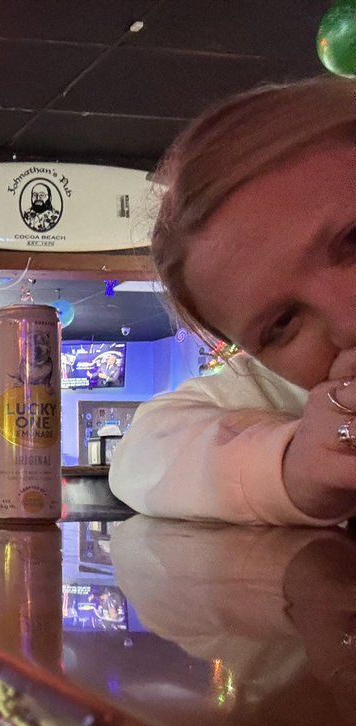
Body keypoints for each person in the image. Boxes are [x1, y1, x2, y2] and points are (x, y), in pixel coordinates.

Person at [107, 76, 356, 525]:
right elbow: (142, 454)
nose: (348, 320)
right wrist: (290, 470)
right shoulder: (295, 394)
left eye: (354, 239)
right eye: (282, 324)